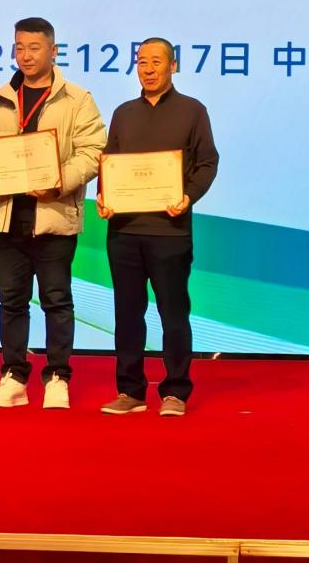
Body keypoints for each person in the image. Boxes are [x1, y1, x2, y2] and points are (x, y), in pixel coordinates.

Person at [0, 17, 105, 409]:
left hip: (54, 215)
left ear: (53, 51)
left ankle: (58, 376)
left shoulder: (76, 99)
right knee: (11, 301)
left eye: (34, 47)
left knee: (56, 300)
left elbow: (94, 150)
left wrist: (59, 182)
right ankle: (13, 376)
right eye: (19, 47)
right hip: (9, 216)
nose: (26, 55)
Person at [97, 38, 219, 418]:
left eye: (156, 62)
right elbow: (110, 162)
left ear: (173, 66)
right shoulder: (123, 113)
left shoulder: (192, 110)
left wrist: (188, 196)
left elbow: (207, 163)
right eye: (141, 62)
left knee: (173, 313)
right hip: (124, 231)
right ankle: (130, 390)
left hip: (170, 231)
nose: (148, 69)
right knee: (127, 314)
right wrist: (103, 197)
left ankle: (175, 391)